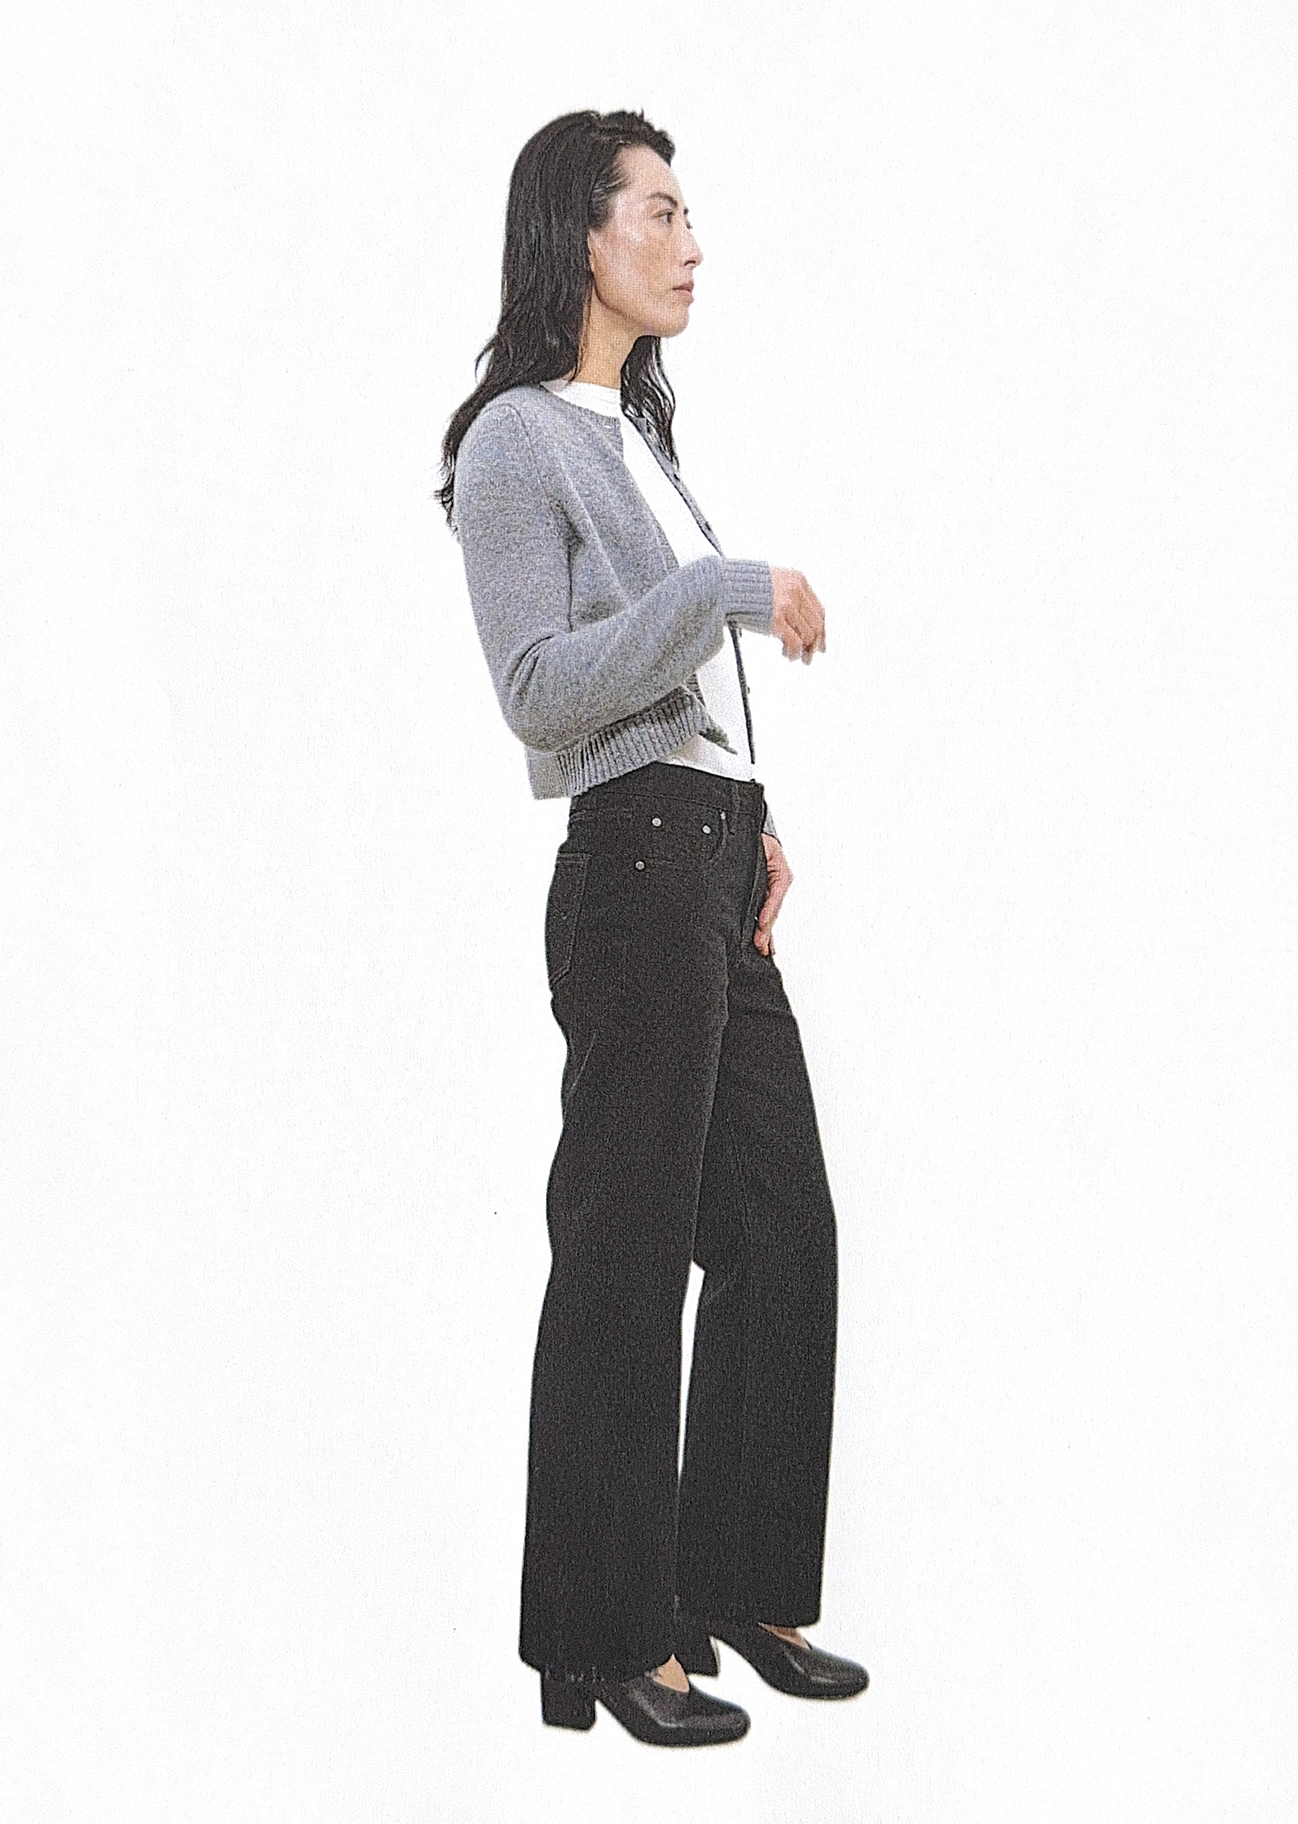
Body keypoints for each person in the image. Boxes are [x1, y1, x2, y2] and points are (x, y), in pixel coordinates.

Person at [437, 109, 868, 1748]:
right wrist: (726, 587)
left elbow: (677, 696)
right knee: (623, 1256)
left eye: (690, 216)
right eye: (662, 212)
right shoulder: (516, 442)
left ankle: (733, 1587)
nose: (691, 244)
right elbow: (539, 692)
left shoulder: (635, 438)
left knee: (780, 1228)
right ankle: (603, 1640)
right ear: (580, 233)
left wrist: (754, 815)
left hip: (707, 865)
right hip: (629, 880)